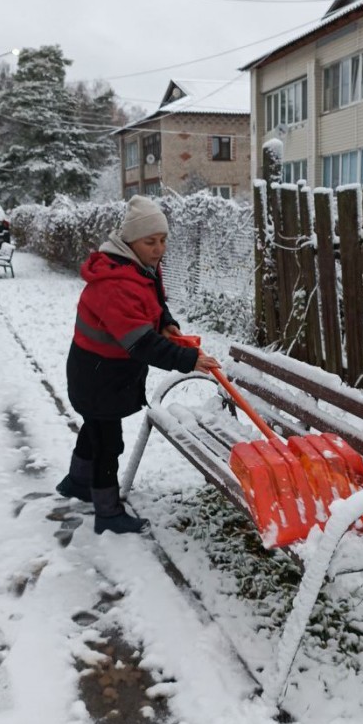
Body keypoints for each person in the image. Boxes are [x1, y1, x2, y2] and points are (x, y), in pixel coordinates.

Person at [58, 195, 220, 535]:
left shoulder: (138, 267)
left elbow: (153, 304)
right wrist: (189, 359)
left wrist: (166, 322)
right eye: (151, 241)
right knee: (108, 443)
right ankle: (107, 512)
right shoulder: (115, 284)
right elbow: (140, 342)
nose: (159, 248)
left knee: (95, 429)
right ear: (130, 240)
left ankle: (77, 481)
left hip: (105, 372)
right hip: (97, 375)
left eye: (162, 240)